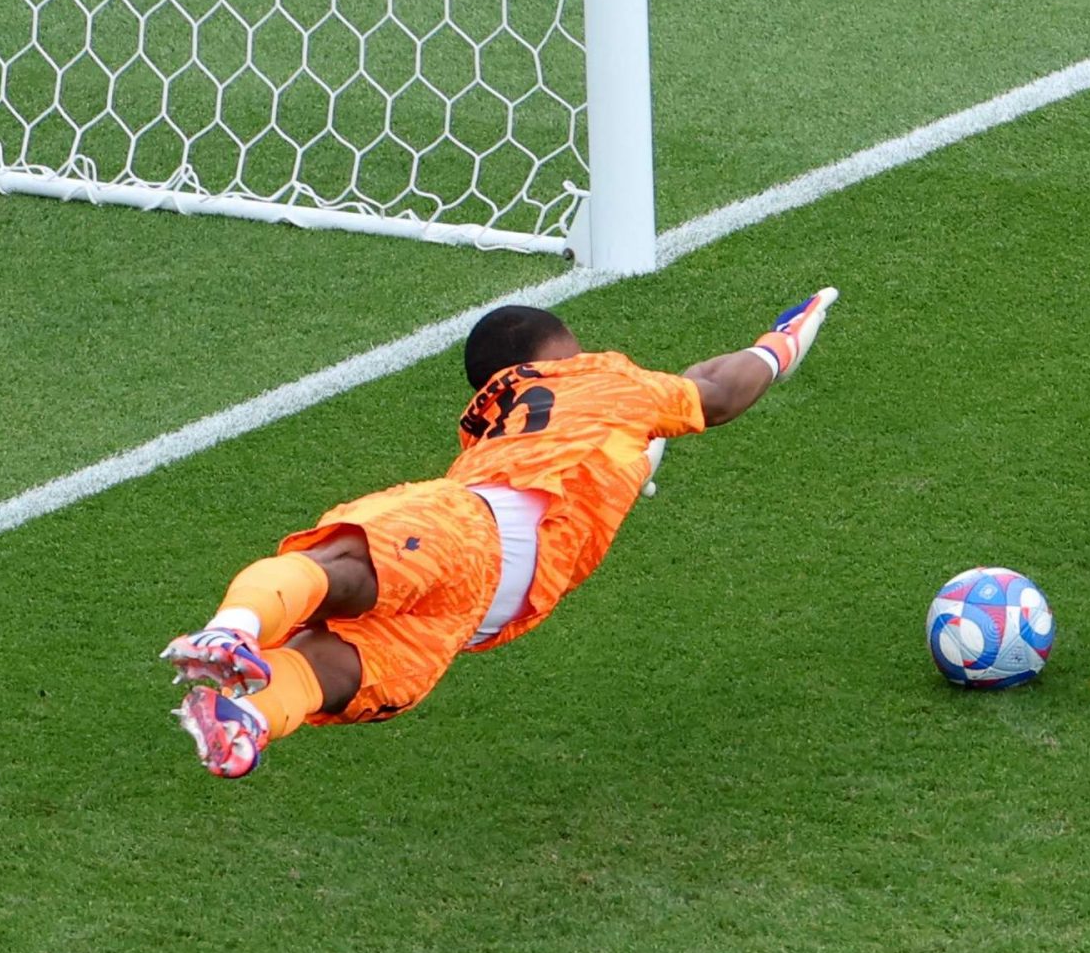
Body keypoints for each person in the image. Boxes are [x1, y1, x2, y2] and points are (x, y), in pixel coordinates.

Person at [163, 288, 839, 776]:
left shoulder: (506, 422)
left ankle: (244, 715)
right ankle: (235, 638)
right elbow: (712, 390)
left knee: (340, 633)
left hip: (475, 572)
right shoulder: (592, 378)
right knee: (343, 613)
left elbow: (610, 445)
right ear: (551, 348)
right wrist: (778, 345)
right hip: (489, 571)